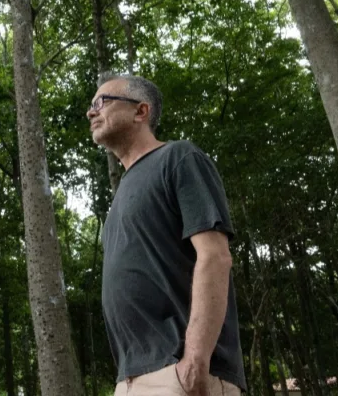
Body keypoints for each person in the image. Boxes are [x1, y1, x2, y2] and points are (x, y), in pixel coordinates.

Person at [88, 73, 247, 396]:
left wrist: (195, 362)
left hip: (181, 374)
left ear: (140, 112)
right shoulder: (120, 196)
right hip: (131, 379)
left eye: (102, 102)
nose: (92, 112)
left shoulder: (178, 158)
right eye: (91, 106)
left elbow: (215, 255)